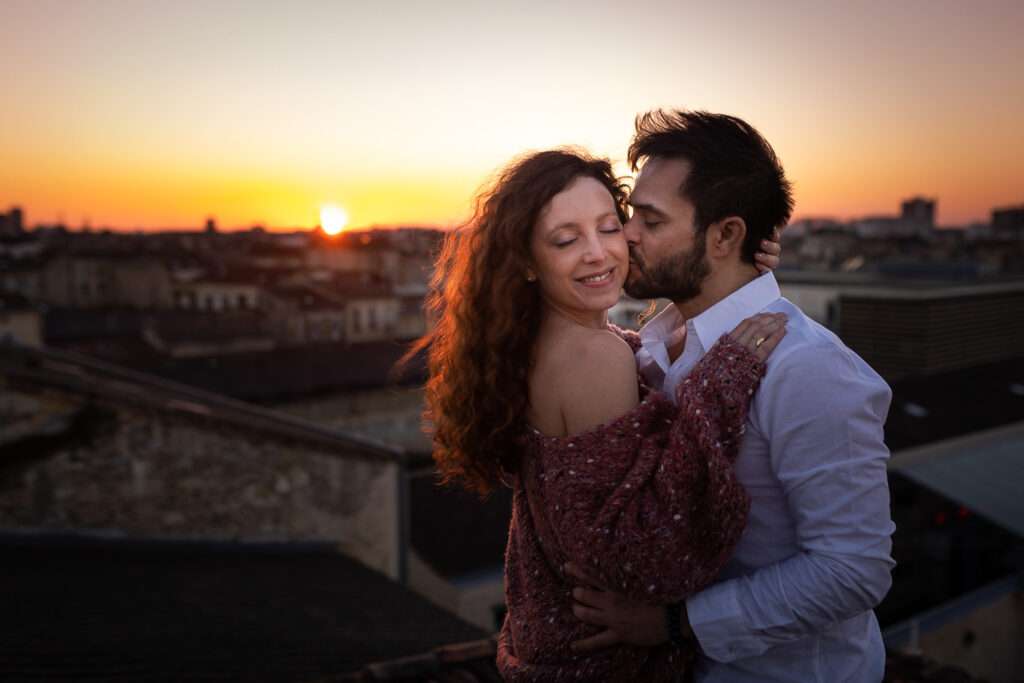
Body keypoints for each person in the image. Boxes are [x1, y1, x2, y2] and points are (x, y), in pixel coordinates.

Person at [409, 148, 787, 681]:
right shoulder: (592, 355)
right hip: (608, 659)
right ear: (524, 261)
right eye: (566, 240)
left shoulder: (537, 340)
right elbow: (646, 549)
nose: (597, 253)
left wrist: (733, 275)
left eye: (609, 228)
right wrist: (721, 382)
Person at [565, 110, 896, 682]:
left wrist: (674, 622)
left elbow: (853, 570)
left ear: (725, 235)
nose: (628, 235)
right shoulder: (652, 343)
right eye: (630, 215)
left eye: (651, 219)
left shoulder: (807, 369)